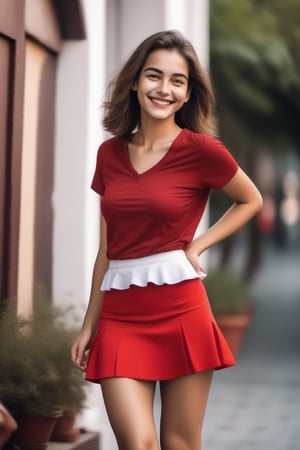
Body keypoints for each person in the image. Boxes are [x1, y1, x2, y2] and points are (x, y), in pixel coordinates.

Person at [71, 30, 263, 450]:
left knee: (179, 443)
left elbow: (251, 200)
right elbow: (107, 250)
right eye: (154, 76)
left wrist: (198, 245)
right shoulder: (110, 155)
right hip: (121, 318)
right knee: (137, 444)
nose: (164, 89)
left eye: (178, 81)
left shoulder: (203, 151)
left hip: (182, 311)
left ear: (189, 92)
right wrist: (90, 324)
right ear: (136, 81)